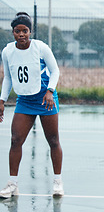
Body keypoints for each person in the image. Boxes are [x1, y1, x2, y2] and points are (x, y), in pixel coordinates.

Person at [0, 12, 64, 198]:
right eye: (17, 31)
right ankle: (13, 184)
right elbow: (9, 78)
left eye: (25, 31)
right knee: (15, 140)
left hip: (45, 99)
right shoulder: (7, 51)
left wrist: (50, 91)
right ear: (12, 32)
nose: (21, 34)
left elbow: (55, 71)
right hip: (24, 101)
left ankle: (57, 182)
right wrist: (2, 100)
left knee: (53, 141)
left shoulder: (40, 48)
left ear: (31, 31)